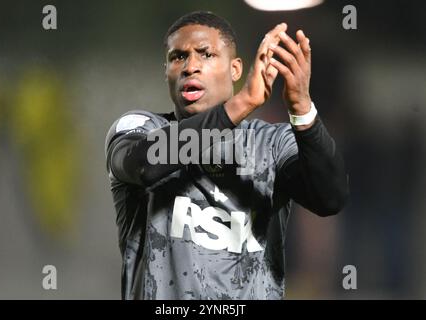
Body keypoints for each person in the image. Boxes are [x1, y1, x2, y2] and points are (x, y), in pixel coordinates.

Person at [105, 11, 349, 300]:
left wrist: (303, 111)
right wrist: (243, 102)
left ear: (235, 70)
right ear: (166, 71)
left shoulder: (272, 143)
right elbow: (145, 166)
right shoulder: (140, 129)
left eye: (205, 54)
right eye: (178, 57)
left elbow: (330, 197)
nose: (190, 66)